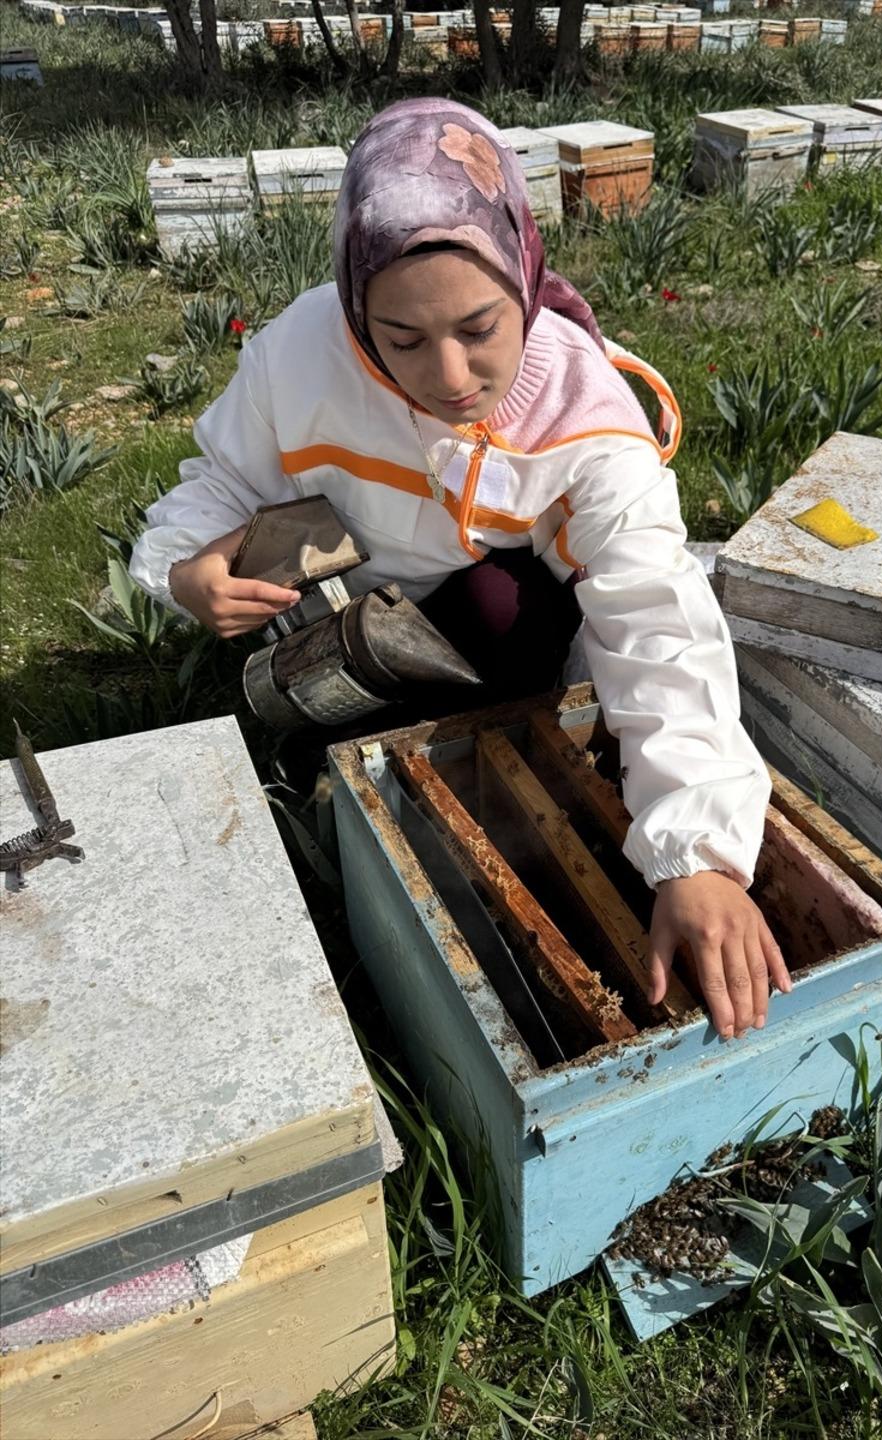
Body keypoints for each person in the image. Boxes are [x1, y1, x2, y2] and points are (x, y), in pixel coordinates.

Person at [130, 97, 791, 1039]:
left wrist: (699, 856)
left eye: (481, 328)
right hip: (342, 613)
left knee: (505, 608)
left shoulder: (583, 411)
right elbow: (222, 481)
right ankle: (344, 752)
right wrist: (189, 570)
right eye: (400, 340)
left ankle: (466, 733)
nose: (448, 375)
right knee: (317, 723)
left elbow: (656, 611)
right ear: (358, 308)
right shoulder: (298, 357)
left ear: (522, 275)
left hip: (483, 613)